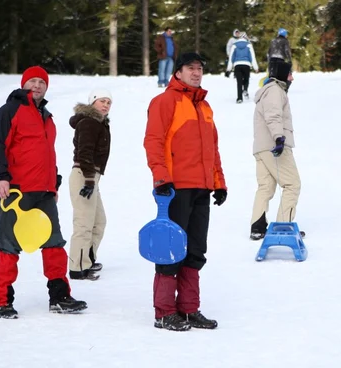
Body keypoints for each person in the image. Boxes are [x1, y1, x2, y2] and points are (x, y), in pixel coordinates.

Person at [0, 66, 87, 318]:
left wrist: (54, 184)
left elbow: (47, 154)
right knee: (9, 245)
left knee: (54, 243)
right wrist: (0, 177)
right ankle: (2, 300)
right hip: (17, 191)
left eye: (41, 82)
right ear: (23, 84)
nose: (37, 85)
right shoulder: (9, 111)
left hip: (44, 191)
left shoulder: (47, 116)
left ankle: (60, 296)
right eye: (32, 81)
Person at [143, 52, 227, 332]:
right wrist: (161, 178)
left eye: (200, 68)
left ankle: (189, 309)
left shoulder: (205, 107)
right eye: (190, 68)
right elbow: (153, 141)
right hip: (175, 188)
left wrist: (219, 182)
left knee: (195, 251)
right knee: (171, 250)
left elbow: (212, 150)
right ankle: (165, 312)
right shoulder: (164, 102)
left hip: (202, 188)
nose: (196, 72)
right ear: (177, 73)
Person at [249, 60, 303, 240]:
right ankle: (283, 226)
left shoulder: (267, 91)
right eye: (289, 74)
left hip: (261, 147)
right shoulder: (275, 91)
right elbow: (273, 116)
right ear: (281, 75)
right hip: (274, 145)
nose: (292, 78)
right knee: (292, 184)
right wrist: (279, 138)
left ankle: (257, 226)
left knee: (265, 187)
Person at [67, 89, 112, 281]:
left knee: (99, 221)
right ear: (92, 102)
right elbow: (84, 153)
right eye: (102, 101)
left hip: (91, 177)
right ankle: (77, 268)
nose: (105, 105)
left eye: (109, 102)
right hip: (84, 176)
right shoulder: (88, 123)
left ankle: (88, 258)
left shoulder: (99, 124)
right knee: (84, 223)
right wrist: (88, 180)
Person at [227, 32, 259, 103]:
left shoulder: (234, 45)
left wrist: (229, 68)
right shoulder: (249, 45)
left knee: (239, 81)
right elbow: (252, 57)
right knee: (246, 79)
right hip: (246, 65)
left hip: (237, 65)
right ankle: (245, 89)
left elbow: (231, 58)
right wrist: (255, 67)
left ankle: (239, 98)